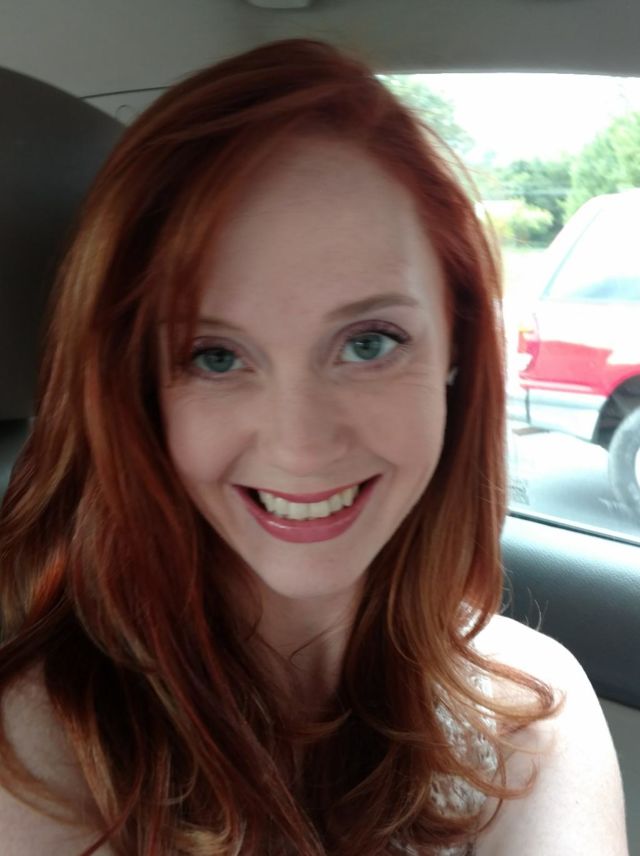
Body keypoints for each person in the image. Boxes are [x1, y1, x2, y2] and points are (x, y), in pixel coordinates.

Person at [0, 39, 627, 856]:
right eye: (214, 356)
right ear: (136, 390)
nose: (301, 447)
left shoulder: (536, 717)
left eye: (369, 343)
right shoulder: (37, 751)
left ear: (457, 346)